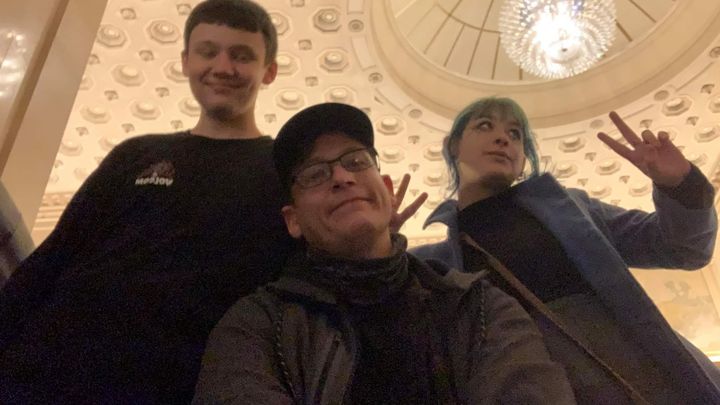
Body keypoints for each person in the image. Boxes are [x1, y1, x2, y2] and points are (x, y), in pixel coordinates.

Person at [0, 1, 293, 402]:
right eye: (208, 52)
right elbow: (54, 258)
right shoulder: (136, 153)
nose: (223, 67)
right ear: (186, 61)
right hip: (38, 371)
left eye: (241, 56)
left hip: (165, 387)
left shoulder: (285, 173)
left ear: (269, 71)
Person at [192, 102, 576, 404]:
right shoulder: (255, 326)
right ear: (293, 221)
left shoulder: (478, 305)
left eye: (356, 162)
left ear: (388, 193)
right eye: (314, 174)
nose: (342, 177)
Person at [411, 96, 720, 403]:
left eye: (515, 134)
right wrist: (382, 250)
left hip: (650, 379)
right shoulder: (429, 265)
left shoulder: (573, 208)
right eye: (484, 125)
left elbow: (684, 249)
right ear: (453, 145)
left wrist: (682, 186)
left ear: (523, 160)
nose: (503, 138)